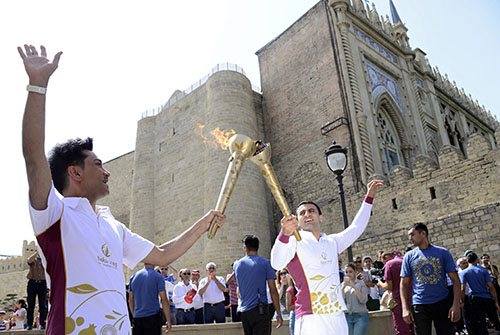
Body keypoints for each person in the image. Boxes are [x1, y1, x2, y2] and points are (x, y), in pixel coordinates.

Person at [18, 44, 226, 335]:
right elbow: (33, 157)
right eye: (98, 165)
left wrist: (202, 225)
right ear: (75, 172)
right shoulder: (55, 213)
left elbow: (163, 254)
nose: (107, 171)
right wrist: (37, 85)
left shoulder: (112, 226)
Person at [271, 179, 383, 334]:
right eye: (302, 213)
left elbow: (356, 228)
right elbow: (276, 263)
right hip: (311, 316)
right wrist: (284, 234)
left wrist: (368, 199)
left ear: (320, 217)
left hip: (336, 314)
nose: (307, 214)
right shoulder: (293, 241)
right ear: (297, 221)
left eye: (311, 211)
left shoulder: (331, 241)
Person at [400, 222, 461, 335]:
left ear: (423, 233)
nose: (410, 238)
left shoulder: (443, 253)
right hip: (420, 304)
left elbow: (456, 280)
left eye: (412, 234)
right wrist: (405, 308)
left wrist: (455, 305)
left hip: (442, 302)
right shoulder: (409, 256)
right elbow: (403, 284)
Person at [234, 235, 283, 334]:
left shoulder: (237, 265)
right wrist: (278, 313)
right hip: (259, 310)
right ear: (258, 247)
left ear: (245, 247)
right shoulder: (265, 263)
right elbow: (273, 290)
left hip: (244, 312)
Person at [460, 252, 500, 335]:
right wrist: (496, 301)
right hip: (487, 297)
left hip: (474, 299)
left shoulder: (465, 272)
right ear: (476, 260)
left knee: (480, 322)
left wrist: (462, 301)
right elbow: (491, 287)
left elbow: (462, 289)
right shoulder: (483, 271)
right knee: (495, 319)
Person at [377, 250, 414, 335]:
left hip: (399, 301)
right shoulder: (407, 260)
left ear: (386, 258)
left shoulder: (390, 264)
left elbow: (390, 287)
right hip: (414, 299)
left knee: (402, 331)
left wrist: (380, 284)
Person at [128, 263, 171, 334]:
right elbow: (164, 300)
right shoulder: (158, 277)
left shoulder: (134, 277)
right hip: (152, 318)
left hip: (137, 318)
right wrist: (168, 320)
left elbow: (131, 300)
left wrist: (135, 315)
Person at [343, 263, 370, 335]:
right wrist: (342, 288)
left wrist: (354, 287)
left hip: (360, 316)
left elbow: (363, 300)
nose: (348, 274)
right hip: (348, 316)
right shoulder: (344, 285)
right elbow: (342, 302)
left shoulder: (361, 283)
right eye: (346, 272)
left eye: (350, 271)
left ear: (355, 272)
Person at [26, 251, 47, 330]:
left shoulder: (45, 260)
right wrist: (37, 252)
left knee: (43, 305)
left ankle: (42, 324)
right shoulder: (33, 259)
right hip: (32, 283)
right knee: (31, 304)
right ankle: (29, 324)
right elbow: (29, 260)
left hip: (42, 283)